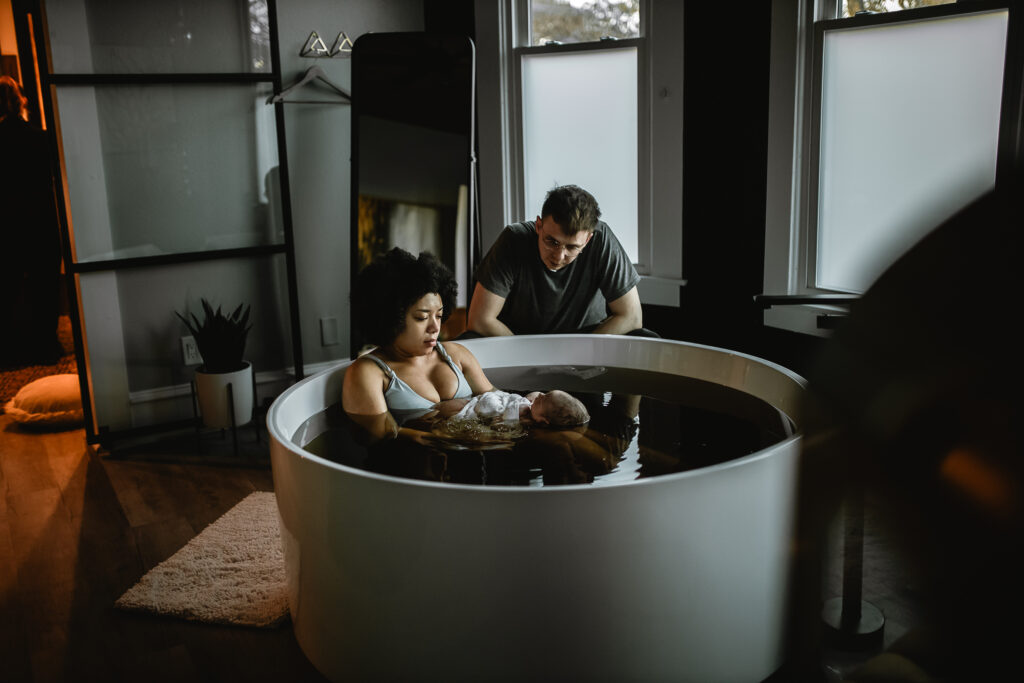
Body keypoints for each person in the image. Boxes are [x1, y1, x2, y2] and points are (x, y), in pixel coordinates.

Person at [342, 247, 495, 440]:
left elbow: (499, 399)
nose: (434, 327)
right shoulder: (368, 372)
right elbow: (384, 433)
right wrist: (449, 434)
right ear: (391, 318)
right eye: (422, 317)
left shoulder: (456, 354)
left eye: (439, 315)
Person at [466, 184, 652, 337]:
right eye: (551, 242)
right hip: (520, 342)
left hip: (585, 344)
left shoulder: (602, 240)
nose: (558, 256)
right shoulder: (514, 239)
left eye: (572, 247)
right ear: (538, 225)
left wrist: (578, 354)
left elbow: (631, 317)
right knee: (467, 340)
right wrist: (534, 358)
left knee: (646, 337)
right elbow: (480, 320)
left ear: (587, 240)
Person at [0, 75, 62, 365]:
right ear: (19, 102)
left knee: (8, 286)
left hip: (7, 222)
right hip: (41, 218)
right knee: (45, 283)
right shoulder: (40, 137)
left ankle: (10, 350)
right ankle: (46, 345)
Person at [435, 388, 590, 427]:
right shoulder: (533, 406)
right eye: (545, 394)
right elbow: (533, 395)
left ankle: (433, 409)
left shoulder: (523, 415)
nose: (540, 396)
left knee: (446, 410)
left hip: (481, 406)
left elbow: (504, 419)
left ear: (543, 420)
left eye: (542, 400)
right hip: (482, 402)